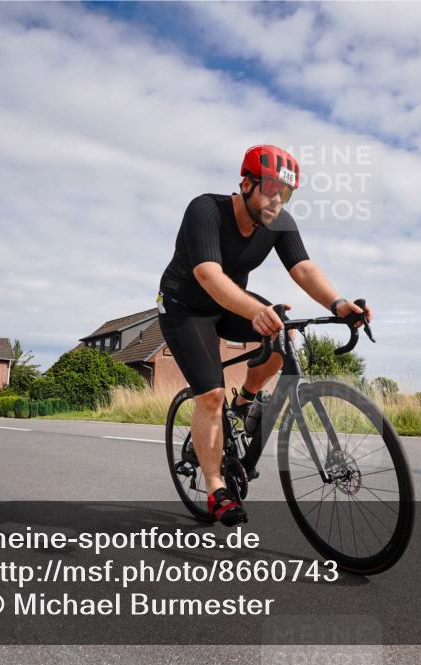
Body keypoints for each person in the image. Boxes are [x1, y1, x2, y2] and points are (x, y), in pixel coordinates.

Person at [158, 144, 372, 526]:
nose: (277, 200)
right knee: (210, 394)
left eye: (285, 193)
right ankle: (215, 489)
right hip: (184, 306)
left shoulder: (280, 223)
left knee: (281, 335)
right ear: (246, 183)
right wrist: (256, 310)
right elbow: (208, 274)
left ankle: (245, 402)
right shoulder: (205, 210)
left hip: (228, 304)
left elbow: (303, 269)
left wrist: (338, 304)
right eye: (271, 189)